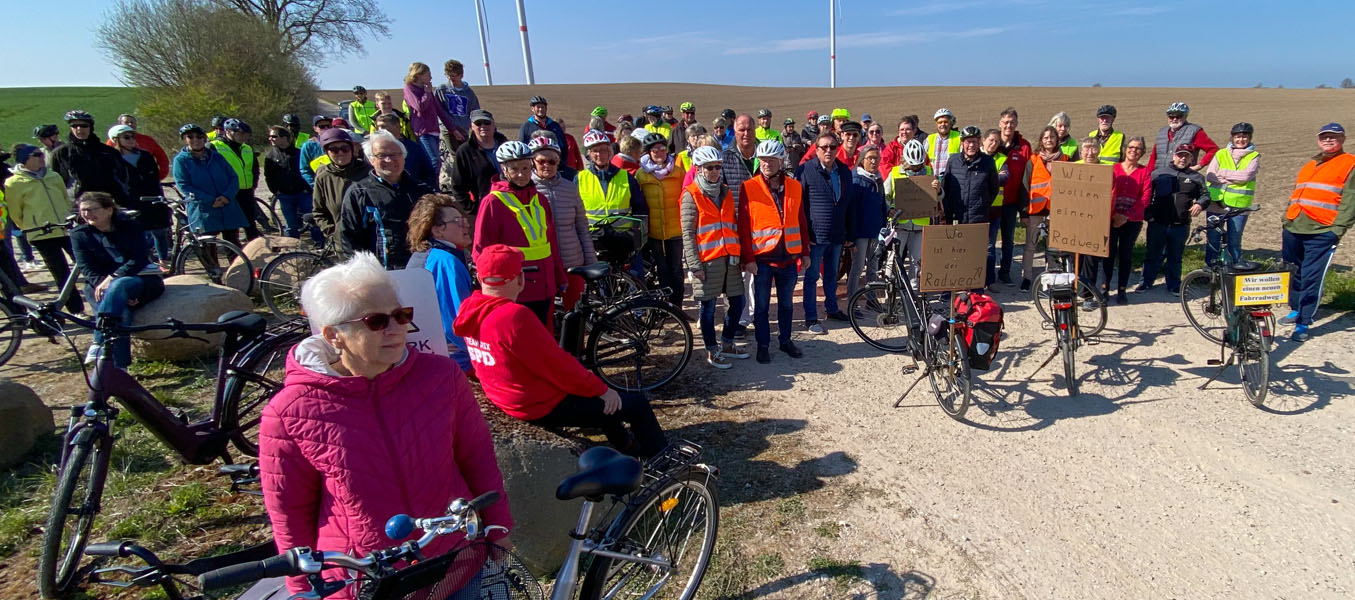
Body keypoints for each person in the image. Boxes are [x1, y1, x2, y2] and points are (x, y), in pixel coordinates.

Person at [262, 251, 511, 600]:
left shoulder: (442, 376)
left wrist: (498, 527)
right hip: (366, 579)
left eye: (400, 315)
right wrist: (303, 588)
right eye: (376, 321)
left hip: (456, 562)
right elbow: (290, 511)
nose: (396, 329)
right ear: (333, 335)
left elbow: (477, 457)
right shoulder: (290, 411)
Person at [454, 245, 668, 457]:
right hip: (537, 404)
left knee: (603, 403)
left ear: (481, 280)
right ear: (519, 279)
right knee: (635, 404)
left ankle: (627, 446)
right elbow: (558, 366)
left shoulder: (470, 309)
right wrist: (602, 389)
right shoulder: (513, 317)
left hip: (506, 395)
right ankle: (661, 461)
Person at [474, 141, 566, 326]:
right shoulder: (492, 202)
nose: (521, 174)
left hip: (545, 283)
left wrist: (559, 275)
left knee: (544, 336)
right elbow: (482, 248)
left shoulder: (539, 199)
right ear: (504, 169)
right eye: (514, 169)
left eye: (525, 168)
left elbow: (551, 243)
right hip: (516, 285)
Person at [69, 193, 165, 365]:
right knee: (121, 314)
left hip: (138, 279)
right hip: (98, 285)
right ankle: (120, 368)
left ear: (109, 209)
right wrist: (105, 285)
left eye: (92, 209)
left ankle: (98, 341)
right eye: (83, 210)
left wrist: (113, 278)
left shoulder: (131, 227)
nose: (86, 214)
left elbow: (139, 259)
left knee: (120, 284)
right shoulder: (79, 235)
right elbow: (86, 268)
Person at [1280, 122, 1355, 342]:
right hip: (1295, 226)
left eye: (1333, 137)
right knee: (1293, 271)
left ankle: (1304, 322)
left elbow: (1351, 201)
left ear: (1342, 139)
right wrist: (1286, 219)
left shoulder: (1349, 164)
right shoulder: (1311, 164)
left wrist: (1337, 230)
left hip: (1322, 230)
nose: (1328, 140)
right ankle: (1295, 308)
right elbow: (1299, 193)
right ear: (1318, 139)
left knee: (1313, 276)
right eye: (1324, 137)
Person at [680, 146, 753, 369]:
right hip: (706, 262)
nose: (714, 171)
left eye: (717, 167)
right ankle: (712, 350)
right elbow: (688, 234)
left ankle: (728, 343)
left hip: (729, 260)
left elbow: (731, 225)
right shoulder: (690, 195)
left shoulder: (726, 192)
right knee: (708, 309)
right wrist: (694, 265)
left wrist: (739, 254)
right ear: (699, 169)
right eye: (709, 168)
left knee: (738, 302)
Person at [741, 140, 808, 363]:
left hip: (788, 258)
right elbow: (744, 226)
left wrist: (805, 252)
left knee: (787, 304)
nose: (767, 164)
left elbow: (801, 221)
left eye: (771, 160)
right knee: (761, 306)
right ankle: (763, 345)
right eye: (763, 160)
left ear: (781, 161)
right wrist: (748, 259)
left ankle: (786, 340)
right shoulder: (749, 187)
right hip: (762, 260)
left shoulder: (795, 186)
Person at [6, 143, 84, 313]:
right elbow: (15, 213)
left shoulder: (53, 176)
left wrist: (66, 218)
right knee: (61, 273)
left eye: (41, 154)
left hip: (65, 228)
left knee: (85, 265)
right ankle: (77, 310)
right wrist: (31, 226)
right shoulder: (13, 183)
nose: (42, 157)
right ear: (25, 160)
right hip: (41, 234)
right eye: (36, 155)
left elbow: (65, 199)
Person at [340, 130, 433, 269]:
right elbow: (349, 239)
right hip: (380, 272)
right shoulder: (359, 193)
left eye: (395, 154)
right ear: (371, 160)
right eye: (382, 155)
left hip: (420, 269)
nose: (389, 160)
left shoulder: (421, 190)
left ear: (404, 157)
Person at [407, 194, 475, 372]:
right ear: (437, 231)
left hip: (425, 353)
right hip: (455, 361)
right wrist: (475, 351)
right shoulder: (445, 261)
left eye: (464, 219)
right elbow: (456, 317)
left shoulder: (422, 256)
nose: (466, 224)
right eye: (458, 221)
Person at [797, 133, 856, 332]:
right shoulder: (805, 170)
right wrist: (804, 236)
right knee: (812, 277)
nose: (828, 151)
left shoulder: (845, 172)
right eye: (824, 147)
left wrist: (849, 233)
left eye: (832, 147)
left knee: (832, 275)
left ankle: (832, 309)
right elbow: (800, 206)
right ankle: (811, 317)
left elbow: (847, 205)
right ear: (816, 149)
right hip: (815, 236)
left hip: (837, 234)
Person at [530, 136, 595, 310]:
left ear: (558, 162)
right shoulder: (528, 191)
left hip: (572, 260)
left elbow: (582, 226)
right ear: (532, 162)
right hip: (542, 263)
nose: (547, 165)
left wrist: (590, 259)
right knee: (546, 313)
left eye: (552, 161)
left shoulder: (570, 188)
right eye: (541, 161)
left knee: (575, 312)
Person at [1137, 144, 1207, 295]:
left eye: (1187, 156)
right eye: (1180, 155)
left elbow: (1205, 195)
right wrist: (1148, 214)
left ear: (1191, 158)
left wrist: (1200, 204)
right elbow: (1146, 194)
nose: (1183, 158)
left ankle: (1174, 285)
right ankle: (1145, 283)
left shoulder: (1197, 178)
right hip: (1158, 222)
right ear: (1174, 156)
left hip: (1180, 224)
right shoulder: (1158, 174)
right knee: (1152, 255)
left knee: (1175, 257)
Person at [939, 126, 999, 286]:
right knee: (956, 254)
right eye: (967, 142)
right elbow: (946, 188)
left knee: (977, 254)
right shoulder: (953, 161)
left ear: (979, 142)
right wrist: (948, 214)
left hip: (978, 217)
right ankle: (956, 284)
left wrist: (981, 204)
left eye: (974, 142)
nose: (971, 145)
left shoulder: (988, 162)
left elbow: (994, 189)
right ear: (962, 143)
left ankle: (977, 286)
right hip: (957, 217)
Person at [172, 124, 247, 249]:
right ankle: (214, 269)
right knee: (208, 246)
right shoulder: (181, 160)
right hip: (203, 208)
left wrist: (226, 196)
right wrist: (210, 200)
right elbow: (184, 185)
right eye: (190, 137)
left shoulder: (216, 156)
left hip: (226, 205)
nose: (195, 140)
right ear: (185, 139)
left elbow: (233, 177)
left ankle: (239, 268)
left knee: (233, 243)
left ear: (205, 138)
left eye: (199, 136)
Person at [107, 124, 172, 268]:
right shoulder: (113, 159)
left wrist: (160, 198)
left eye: (132, 136)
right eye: (126, 137)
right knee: (139, 234)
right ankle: (144, 262)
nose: (131, 140)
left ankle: (163, 260)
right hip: (132, 201)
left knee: (159, 232)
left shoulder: (145, 155)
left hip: (153, 199)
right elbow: (115, 182)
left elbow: (155, 179)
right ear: (116, 139)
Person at [636, 131, 686, 308]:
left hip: (676, 230)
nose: (659, 153)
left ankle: (677, 305)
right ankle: (666, 307)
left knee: (677, 270)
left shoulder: (679, 173)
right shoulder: (641, 175)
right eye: (655, 150)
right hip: (655, 232)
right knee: (662, 271)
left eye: (662, 149)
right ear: (648, 152)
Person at [1200, 122, 1260, 268]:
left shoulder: (1254, 156)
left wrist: (1224, 174)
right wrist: (1234, 177)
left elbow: (1246, 176)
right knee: (1213, 238)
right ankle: (1211, 268)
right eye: (1238, 136)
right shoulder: (1221, 154)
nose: (1241, 140)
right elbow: (1211, 175)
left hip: (1239, 206)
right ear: (1232, 138)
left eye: (1244, 136)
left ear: (1250, 138)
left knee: (1234, 239)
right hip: (1216, 203)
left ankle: (1235, 267)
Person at [722, 116, 760, 329]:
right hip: (734, 225)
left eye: (749, 129)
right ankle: (739, 319)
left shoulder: (765, 155)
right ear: (734, 131)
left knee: (757, 274)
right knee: (736, 275)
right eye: (741, 129)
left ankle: (756, 314)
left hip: (761, 224)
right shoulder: (725, 157)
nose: (746, 133)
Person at [1104, 136, 1152, 305]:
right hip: (1111, 218)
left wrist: (1126, 216)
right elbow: (1105, 193)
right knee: (1108, 254)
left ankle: (1122, 290)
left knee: (1125, 255)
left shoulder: (1144, 172)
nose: (1134, 150)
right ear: (1125, 149)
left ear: (1142, 152)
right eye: (1131, 147)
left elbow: (1145, 198)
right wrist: (1114, 214)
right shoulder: (1113, 169)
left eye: (1138, 148)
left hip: (1132, 221)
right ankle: (1104, 288)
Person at [1020, 126, 1068, 291]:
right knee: (1030, 246)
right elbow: (1025, 186)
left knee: (1053, 247)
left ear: (1057, 139)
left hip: (1057, 211)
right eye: (1046, 137)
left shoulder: (1065, 159)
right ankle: (1026, 277)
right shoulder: (1033, 160)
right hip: (1035, 210)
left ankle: (1052, 278)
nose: (1049, 140)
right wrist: (1024, 212)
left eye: (1052, 137)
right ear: (1041, 140)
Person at [882, 139, 936, 284]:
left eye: (918, 165)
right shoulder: (895, 173)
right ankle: (890, 287)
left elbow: (939, 197)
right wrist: (889, 209)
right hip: (900, 225)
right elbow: (884, 195)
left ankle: (914, 291)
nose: (916, 168)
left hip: (920, 225)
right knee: (894, 257)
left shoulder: (929, 172)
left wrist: (938, 189)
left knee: (917, 261)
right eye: (913, 165)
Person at [51, 110, 129, 205]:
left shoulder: (109, 152)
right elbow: (57, 182)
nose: (79, 129)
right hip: (76, 204)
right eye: (74, 126)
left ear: (91, 127)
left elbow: (122, 178)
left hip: (106, 201)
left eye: (84, 126)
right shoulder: (60, 153)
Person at [312, 128, 372, 252]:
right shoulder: (323, 175)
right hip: (342, 243)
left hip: (370, 240)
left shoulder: (368, 171)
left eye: (345, 148)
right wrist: (333, 233)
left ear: (352, 149)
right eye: (334, 149)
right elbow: (319, 211)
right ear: (327, 152)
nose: (340, 153)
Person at [264, 126, 320, 244]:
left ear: (285, 138)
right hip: (285, 196)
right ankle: (293, 248)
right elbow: (268, 176)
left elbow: (308, 171)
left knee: (313, 222)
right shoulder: (270, 156)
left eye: (274, 136)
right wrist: (276, 191)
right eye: (270, 136)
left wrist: (308, 189)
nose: (271, 139)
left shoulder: (299, 153)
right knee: (291, 225)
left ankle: (319, 245)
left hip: (303, 194)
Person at [449, 109, 507, 216]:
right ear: (471, 127)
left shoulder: (506, 146)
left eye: (487, 122)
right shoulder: (465, 151)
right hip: (486, 209)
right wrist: (473, 209)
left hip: (511, 204)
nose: (483, 126)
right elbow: (457, 186)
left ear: (494, 125)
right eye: (478, 123)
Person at [404, 62, 459, 175]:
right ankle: (432, 188)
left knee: (437, 162)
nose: (431, 77)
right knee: (433, 160)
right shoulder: (410, 89)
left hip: (434, 130)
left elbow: (439, 110)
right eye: (428, 74)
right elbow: (419, 107)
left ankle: (435, 187)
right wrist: (427, 93)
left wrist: (452, 129)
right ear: (419, 75)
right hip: (423, 130)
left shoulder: (427, 90)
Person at [211, 119, 261, 240]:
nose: (243, 136)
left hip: (246, 192)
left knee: (251, 226)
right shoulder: (214, 147)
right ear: (228, 131)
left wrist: (252, 186)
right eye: (240, 133)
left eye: (246, 134)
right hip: (228, 193)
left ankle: (257, 255)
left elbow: (254, 169)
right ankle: (234, 257)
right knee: (231, 230)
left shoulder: (247, 148)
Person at [847, 145, 886, 300]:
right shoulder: (855, 180)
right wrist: (851, 236)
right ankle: (852, 301)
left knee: (873, 267)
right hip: (860, 233)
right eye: (870, 158)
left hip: (876, 230)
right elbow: (851, 210)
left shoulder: (878, 178)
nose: (874, 161)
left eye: (877, 158)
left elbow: (882, 203)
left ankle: (871, 300)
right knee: (857, 268)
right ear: (862, 160)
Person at [980, 128, 1014, 285]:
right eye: (991, 140)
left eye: (997, 142)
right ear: (984, 140)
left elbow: (1005, 178)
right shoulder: (976, 156)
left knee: (990, 246)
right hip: (976, 209)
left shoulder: (1002, 159)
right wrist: (994, 177)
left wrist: (984, 177)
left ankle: (990, 280)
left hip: (994, 210)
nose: (993, 144)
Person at [1147, 102, 1218, 176]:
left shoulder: (1194, 131)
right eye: (1171, 116)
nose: (1174, 119)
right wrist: (1148, 175)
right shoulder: (1162, 132)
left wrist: (1198, 166)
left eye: (1178, 116)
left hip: (1182, 178)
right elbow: (1153, 156)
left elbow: (1213, 150)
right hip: (1159, 176)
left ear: (1185, 116)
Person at [375, 113, 436, 189]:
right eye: (378, 127)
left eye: (383, 127)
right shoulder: (374, 151)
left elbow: (428, 173)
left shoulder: (413, 148)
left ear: (397, 127)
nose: (380, 130)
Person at [106, 114, 169, 180]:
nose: (130, 124)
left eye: (132, 122)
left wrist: (160, 176)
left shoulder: (146, 143)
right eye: (126, 122)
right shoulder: (112, 143)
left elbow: (162, 158)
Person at [434, 59, 476, 151]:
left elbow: (474, 112)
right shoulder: (442, 90)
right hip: (448, 130)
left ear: (461, 75)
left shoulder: (469, 93)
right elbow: (439, 111)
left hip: (464, 130)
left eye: (454, 75)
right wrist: (452, 129)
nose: (451, 78)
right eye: (448, 75)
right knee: (456, 156)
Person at [298, 115, 333, 186]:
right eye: (322, 126)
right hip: (318, 185)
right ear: (315, 129)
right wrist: (315, 185)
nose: (326, 128)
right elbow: (305, 170)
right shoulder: (308, 146)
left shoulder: (338, 142)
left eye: (328, 126)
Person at [926, 108, 961, 177]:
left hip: (952, 180)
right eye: (940, 122)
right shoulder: (929, 139)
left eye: (945, 122)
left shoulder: (959, 137)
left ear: (950, 123)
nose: (943, 124)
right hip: (933, 180)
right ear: (936, 124)